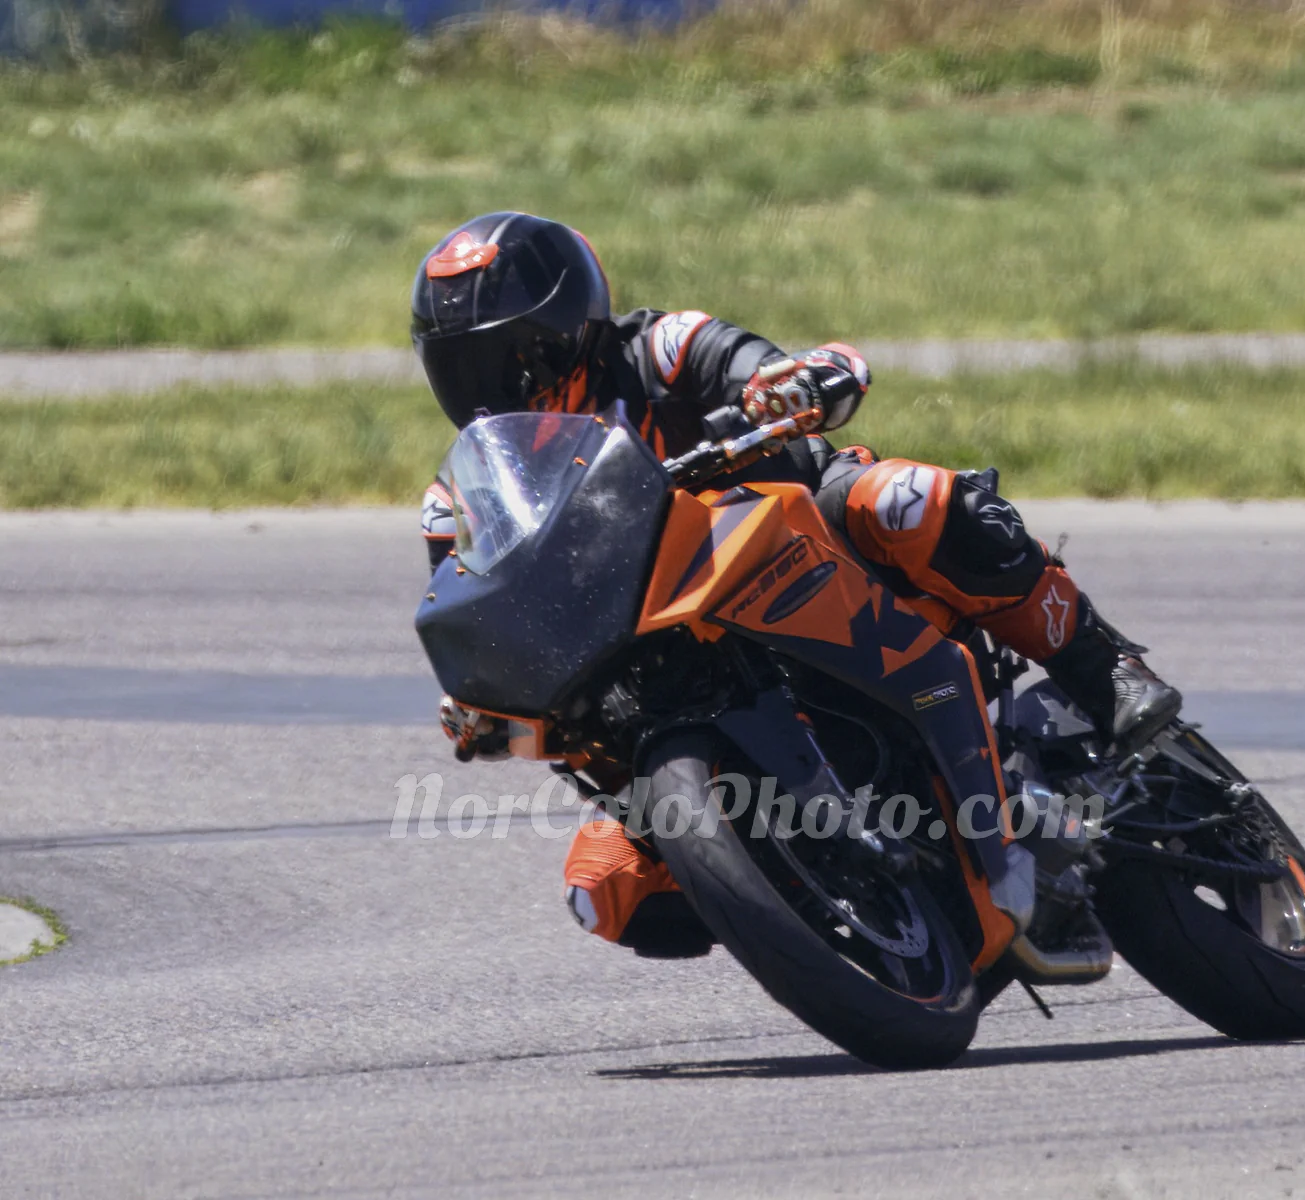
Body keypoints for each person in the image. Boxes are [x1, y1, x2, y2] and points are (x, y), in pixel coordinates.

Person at [413, 211, 1180, 959]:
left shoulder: (657, 348)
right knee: (604, 888)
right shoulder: (465, 496)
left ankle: (1101, 664)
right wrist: (480, 695)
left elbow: (752, 364)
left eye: (512, 358)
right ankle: (824, 906)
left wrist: (790, 382)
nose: (490, 386)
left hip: (795, 534)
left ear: (570, 330)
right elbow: (482, 615)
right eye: (460, 367)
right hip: (650, 653)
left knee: (908, 501)